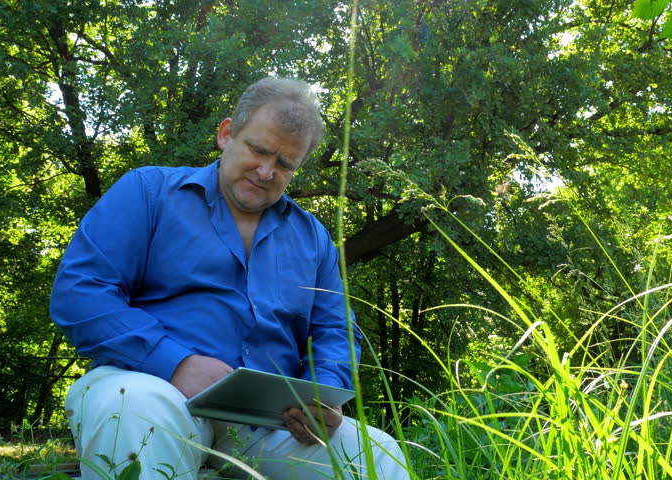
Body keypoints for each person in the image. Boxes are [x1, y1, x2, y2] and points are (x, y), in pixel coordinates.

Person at [50, 77, 409, 480]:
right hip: (152, 389)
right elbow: (80, 291)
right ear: (226, 135)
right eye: (258, 149)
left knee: (378, 455)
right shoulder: (149, 192)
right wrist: (176, 362)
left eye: (285, 164)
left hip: (270, 421)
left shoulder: (314, 239)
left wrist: (320, 393)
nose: (266, 171)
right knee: (129, 406)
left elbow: (335, 330)